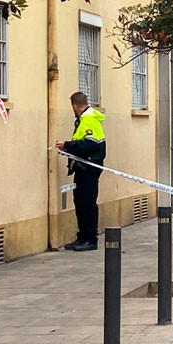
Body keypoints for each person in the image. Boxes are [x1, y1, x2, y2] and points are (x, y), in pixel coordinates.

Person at [55, 91, 107, 251]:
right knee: (79, 201)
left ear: (74, 106)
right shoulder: (84, 119)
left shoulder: (89, 119)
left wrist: (68, 145)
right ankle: (82, 236)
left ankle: (90, 239)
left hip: (89, 167)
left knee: (87, 202)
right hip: (82, 167)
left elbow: (90, 145)